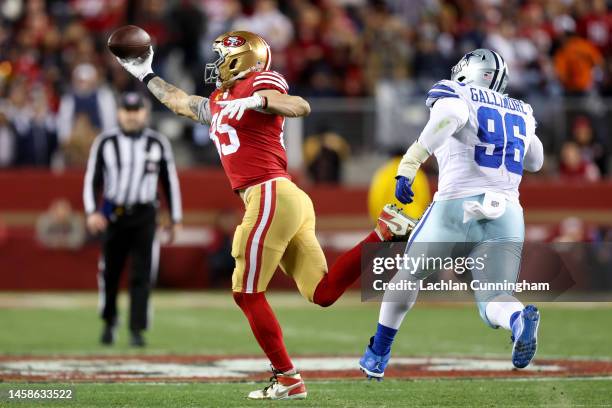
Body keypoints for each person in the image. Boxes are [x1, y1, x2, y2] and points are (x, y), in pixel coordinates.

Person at [115, 30, 414, 400]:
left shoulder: (260, 80)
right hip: (285, 199)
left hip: (268, 193)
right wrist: (146, 74)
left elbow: (298, 105)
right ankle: (383, 233)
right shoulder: (220, 98)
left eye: (222, 56)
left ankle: (287, 377)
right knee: (321, 293)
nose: (216, 63)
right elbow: (179, 102)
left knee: (246, 293)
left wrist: (258, 101)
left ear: (242, 59)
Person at [359, 49, 545, 379]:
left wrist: (410, 163)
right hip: (507, 214)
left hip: (456, 208)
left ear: (470, 71)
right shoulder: (522, 110)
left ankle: (378, 354)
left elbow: (447, 121)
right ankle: (517, 320)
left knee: (408, 275)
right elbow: (535, 161)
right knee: (494, 297)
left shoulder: (456, 93)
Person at [83, 92, 182, 347]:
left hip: (145, 215)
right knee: (110, 273)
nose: (131, 115)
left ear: (145, 113)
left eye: (136, 110)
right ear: (119, 113)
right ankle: (109, 321)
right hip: (113, 214)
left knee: (142, 273)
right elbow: (93, 179)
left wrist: (175, 217)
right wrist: (92, 211)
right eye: (127, 110)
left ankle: (137, 329)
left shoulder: (157, 143)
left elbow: (169, 180)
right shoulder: (105, 142)